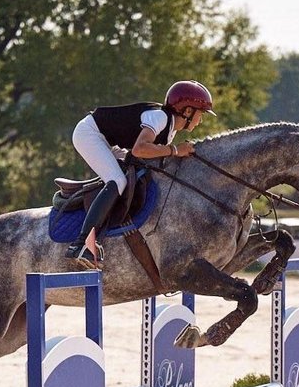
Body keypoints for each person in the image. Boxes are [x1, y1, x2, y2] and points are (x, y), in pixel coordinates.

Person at [65, 80, 215, 268]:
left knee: (130, 177)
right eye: (200, 114)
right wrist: (175, 150)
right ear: (187, 111)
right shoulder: (161, 118)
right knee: (118, 180)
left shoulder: (169, 130)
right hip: (89, 133)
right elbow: (139, 149)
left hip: (108, 141)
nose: (200, 120)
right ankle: (81, 244)